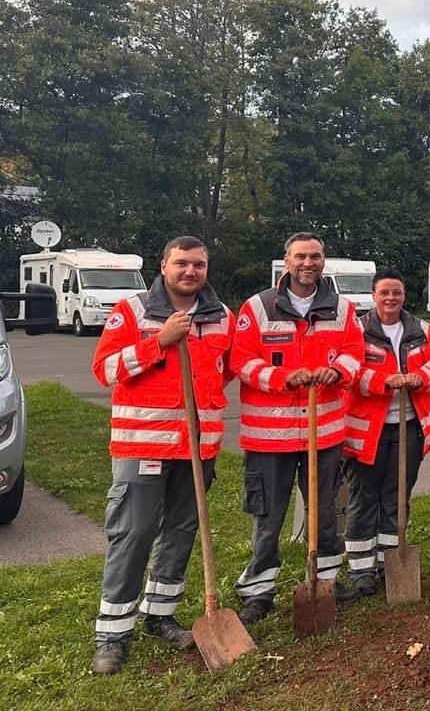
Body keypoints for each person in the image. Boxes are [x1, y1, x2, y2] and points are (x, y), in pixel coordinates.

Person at [89, 236, 233, 674]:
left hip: (197, 448)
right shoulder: (133, 311)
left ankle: (159, 615)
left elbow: (222, 373)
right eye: (182, 263)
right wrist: (160, 342)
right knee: (134, 533)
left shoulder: (221, 316)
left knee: (181, 531)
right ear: (164, 265)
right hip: (144, 446)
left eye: (199, 265)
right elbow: (105, 370)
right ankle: (112, 634)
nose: (191, 271)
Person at [231, 232, 365, 624]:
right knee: (268, 518)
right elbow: (241, 361)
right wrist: (282, 378)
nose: (309, 263)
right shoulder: (258, 307)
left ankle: (325, 581)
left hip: (323, 434)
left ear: (324, 261)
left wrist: (337, 371)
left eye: (316, 257)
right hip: (268, 439)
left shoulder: (342, 309)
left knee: (324, 514)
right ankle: (259, 591)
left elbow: (355, 353)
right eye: (301, 256)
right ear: (287, 260)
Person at [341, 269, 430, 595]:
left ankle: (390, 560)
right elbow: (348, 370)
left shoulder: (422, 330)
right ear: (374, 295)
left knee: (397, 496)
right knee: (363, 496)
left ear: (404, 295)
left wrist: (421, 377)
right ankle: (361, 570)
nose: (391, 298)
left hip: (409, 427)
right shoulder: (356, 330)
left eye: (396, 292)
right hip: (366, 430)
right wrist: (383, 381)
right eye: (384, 292)